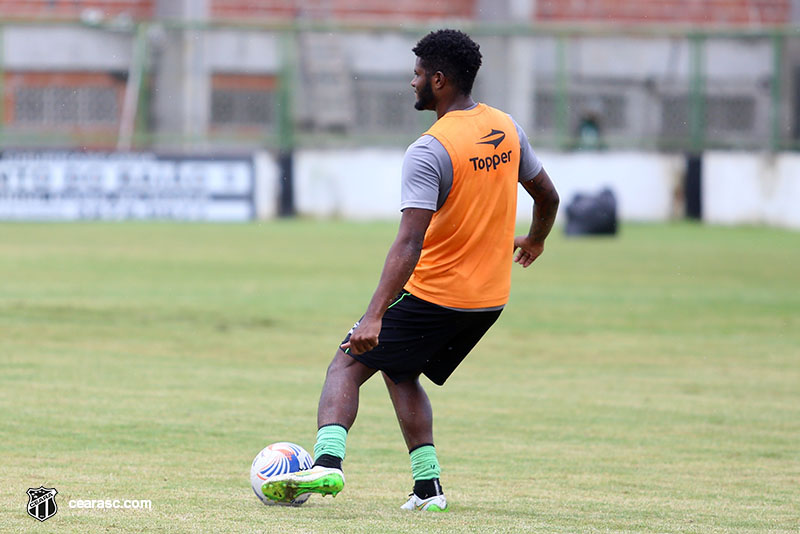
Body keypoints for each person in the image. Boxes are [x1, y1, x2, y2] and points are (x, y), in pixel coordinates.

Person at [261, 29, 560, 511]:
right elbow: (548, 196)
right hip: (488, 300)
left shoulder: (431, 148)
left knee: (346, 362)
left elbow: (409, 242)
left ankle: (327, 464)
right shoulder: (507, 127)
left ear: (439, 80)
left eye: (418, 74)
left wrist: (374, 315)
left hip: (436, 293)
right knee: (399, 370)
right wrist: (537, 238)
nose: (412, 82)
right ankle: (428, 489)